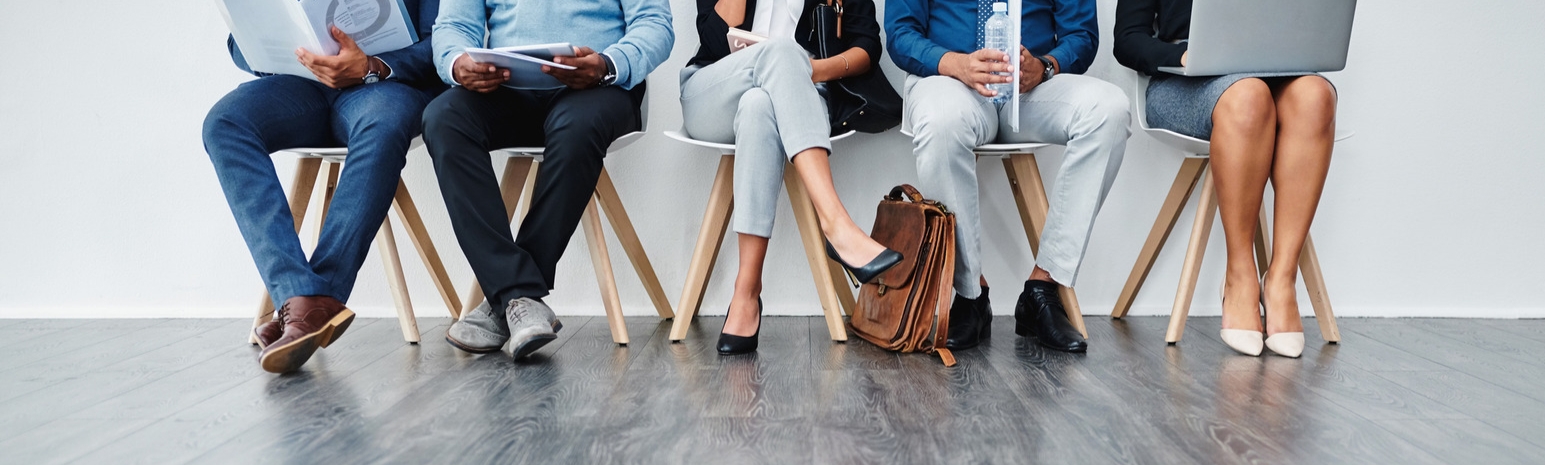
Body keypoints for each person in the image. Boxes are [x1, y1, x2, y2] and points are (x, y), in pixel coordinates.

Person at [425, 0, 673, 361]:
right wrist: (456, 63)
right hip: (506, 89)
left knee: (576, 128)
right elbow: (453, 26)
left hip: (597, 87)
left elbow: (655, 24)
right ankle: (518, 297)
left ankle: (507, 297)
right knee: (442, 118)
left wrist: (607, 64)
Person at [203, 1, 443, 374]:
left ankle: (310, 303)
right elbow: (239, 46)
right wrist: (272, 44)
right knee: (225, 123)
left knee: (381, 127)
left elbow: (443, 41)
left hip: (383, 83)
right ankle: (299, 295)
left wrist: (369, 66)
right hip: (301, 83)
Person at [886, 0, 1130, 352]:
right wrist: (957, 63)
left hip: (1031, 89)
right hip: (951, 80)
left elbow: (1081, 34)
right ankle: (970, 294)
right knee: (940, 122)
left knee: (1109, 110)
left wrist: (1046, 66)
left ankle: (1043, 287)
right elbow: (900, 32)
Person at [1114, 0, 1337, 358]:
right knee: (1249, 96)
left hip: (1276, 76)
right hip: (1184, 84)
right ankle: (1240, 275)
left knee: (1316, 97)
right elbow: (1127, 39)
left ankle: (1281, 279)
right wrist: (1187, 56)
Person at [684, 0, 905, 355]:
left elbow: (866, 47)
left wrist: (808, 70)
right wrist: (787, 58)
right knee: (783, 51)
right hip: (715, 89)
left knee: (759, 104)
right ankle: (838, 226)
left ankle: (746, 292)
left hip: (801, 95)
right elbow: (712, 40)